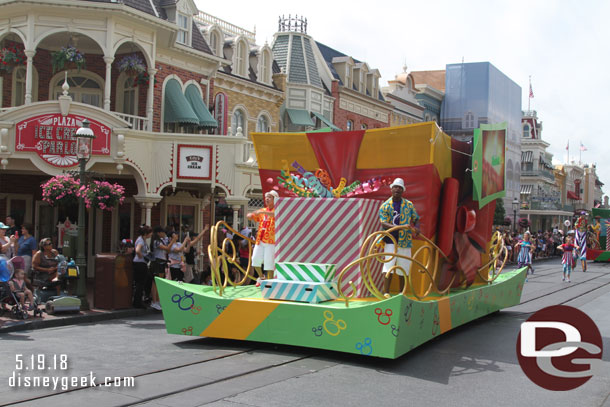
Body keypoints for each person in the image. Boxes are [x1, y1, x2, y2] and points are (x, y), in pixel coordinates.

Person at [379, 178, 420, 295]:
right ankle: (386, 293)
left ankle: (401, 293)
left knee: (404, 267)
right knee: (388, 267)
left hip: (405, 241)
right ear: (391, 189)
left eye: (399, 188)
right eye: (395, 187)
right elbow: (383, 223)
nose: (397, 189)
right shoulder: (385, 206)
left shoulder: (409, 205)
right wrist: (401, 227)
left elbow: (416, 218)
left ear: (403, 191)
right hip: (390, 240)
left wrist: (417, 227)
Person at [247, 191, 278, 285]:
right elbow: (252, 216)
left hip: (271, 240)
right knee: (255, 259)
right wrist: (250, 216)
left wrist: (262, 211)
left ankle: (270, 283)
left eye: (269, 197)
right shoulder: (263, 211)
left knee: (269, 263)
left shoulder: (277, 210)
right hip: (260, 239)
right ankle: (261, 277)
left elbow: (275, 214)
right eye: (266, 197)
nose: (267, 199)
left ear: (274, 199)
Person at [149, 226, 177, 310]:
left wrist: (170, 242)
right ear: (158, 233)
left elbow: (168, 250)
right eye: (163, 232)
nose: (164, 234)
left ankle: (158, 300)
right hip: (157, 262)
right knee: (155, 282)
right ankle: (154, 301)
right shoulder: (156, 241)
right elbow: (167, 248)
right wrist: (173, 240)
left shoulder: (161, 241)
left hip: (162, 261)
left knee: (159, 282)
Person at [132, 225, 152, 308]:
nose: (151, 234)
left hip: (140, 263)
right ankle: (137, 302)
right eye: (150, 233)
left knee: (141, 283)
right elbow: (137, 250)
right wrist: (141, 257)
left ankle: (139, 300)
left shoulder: (141, 239)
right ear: (146, 233)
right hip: (140, 264)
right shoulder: (141, 240)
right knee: (140, 283)